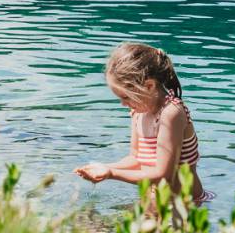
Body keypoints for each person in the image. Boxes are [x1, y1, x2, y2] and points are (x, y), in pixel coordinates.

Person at [75, 42, 212, 205]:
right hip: (154, 200)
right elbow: (135, 159)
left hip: (184, 204)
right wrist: (103, 168)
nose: (122, 104)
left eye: (125, 97)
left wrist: (112, 173)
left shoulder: (171, 113)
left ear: (149, 85)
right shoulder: (137, 112)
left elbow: (164, 174)